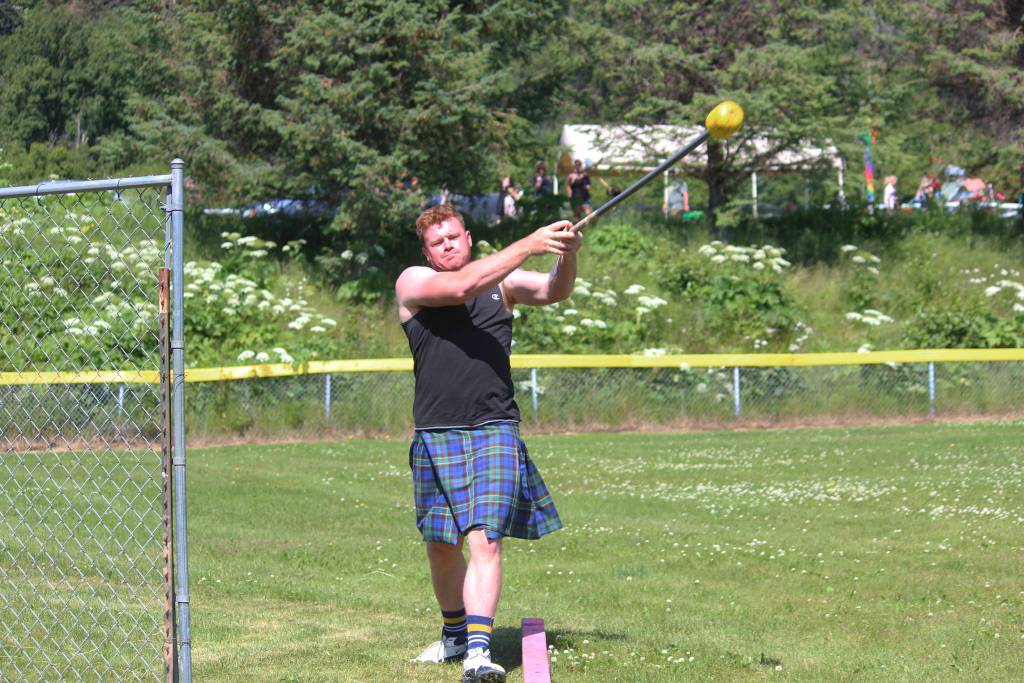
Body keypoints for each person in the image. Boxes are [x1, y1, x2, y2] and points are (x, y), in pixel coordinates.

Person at [396, 204, 582, 682]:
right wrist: (531, 242)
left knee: (486, 537)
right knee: (441, 543)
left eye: (455, 237)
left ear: (469, 236)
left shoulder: (504, 284)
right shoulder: (414, 283)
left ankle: (478, 650)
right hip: (436, 432)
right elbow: (461, 287)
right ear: (427, 252)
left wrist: (566, 255)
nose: (449, 246)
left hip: (494, 427)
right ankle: (455, 634)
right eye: (439, 242)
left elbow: (553, 290)